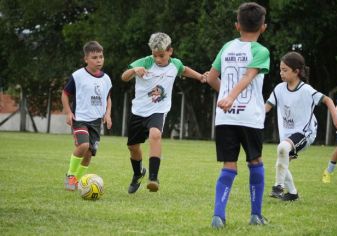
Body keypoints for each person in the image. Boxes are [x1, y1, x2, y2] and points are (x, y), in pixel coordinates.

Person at [206, 2, 269, 227]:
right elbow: (249, 76)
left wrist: (225, 96)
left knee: (228, 165)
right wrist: (231, 96)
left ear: (237, 26)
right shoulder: (261, 51)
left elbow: (211, 78)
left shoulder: (227, 47)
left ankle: (218, 216)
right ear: (263, 27)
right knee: (255, 161)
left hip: (225, 118)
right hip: (249, 117)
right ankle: (255, 215)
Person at [121, 32, 207, 194]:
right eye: (155, 56)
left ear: (170, 51)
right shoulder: (145, 62)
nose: (158, 59)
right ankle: (138, 173)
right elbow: (124, 77)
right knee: (133, 147)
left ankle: (153, 178)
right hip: (138, 111)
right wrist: (134, 71)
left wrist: (200, 77)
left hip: (158, 111)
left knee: (155, 135)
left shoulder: (175, 64)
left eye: (161, 55)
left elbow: (184, 70)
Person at [266, 52, 337, 201]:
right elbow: (267, 106)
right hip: (288, 135)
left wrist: (335, 116)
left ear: (296, 71)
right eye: (280, 69)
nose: (281, 73)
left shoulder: (306, 89)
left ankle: (278, 187)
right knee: (281, 162)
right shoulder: (279, 89)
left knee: (282, 149)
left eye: (285, 70)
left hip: (305, 132)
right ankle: (293, 194)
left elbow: (327, 100)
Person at [62, 41, 112, 191]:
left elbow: (108, 97)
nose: (99, 60)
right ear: (86, 59)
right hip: (80, 118)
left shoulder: (106, 79)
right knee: (83, 145)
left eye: (101, 57)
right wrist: (69, 112)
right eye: (94, 57)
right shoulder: (78, 76)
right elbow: (65, 94)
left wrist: (108, 114)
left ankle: (77, 181)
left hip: (96, 121)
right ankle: (70, 177)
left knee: (89, 153)